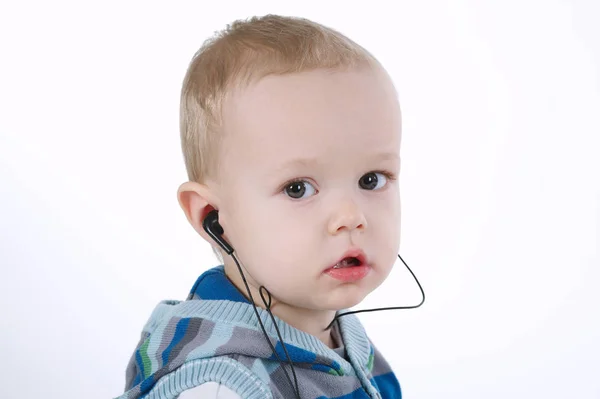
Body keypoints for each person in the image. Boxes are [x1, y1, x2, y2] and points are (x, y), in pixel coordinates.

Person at [117, 14, 403, 399]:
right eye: (298, 188)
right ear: (213, 218)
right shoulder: (223, 385)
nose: (351, 216)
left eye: (371, 179)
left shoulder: (337, 335)